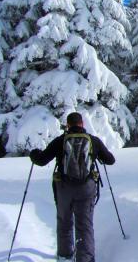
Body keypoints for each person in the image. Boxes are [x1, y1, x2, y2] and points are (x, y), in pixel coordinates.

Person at [30, 112, 115, 262]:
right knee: (84, 224)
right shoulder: (93, 141)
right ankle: (85, 259)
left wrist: (34, 154)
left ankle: (65, 255)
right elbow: (110, 160)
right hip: (87, 188)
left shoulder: (60, 141)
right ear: (82, 124)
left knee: (64, 221)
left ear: (68, 125)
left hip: (64, 187)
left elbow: (42, 160)